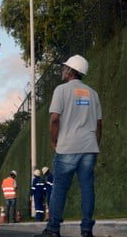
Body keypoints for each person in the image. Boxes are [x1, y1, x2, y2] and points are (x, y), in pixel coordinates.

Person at [38, 54, 102, 237]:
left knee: (59, 188)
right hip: (89, 148)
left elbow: (54, 119)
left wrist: (53, 141)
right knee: (87, 188)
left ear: (71, 71)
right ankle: (87, 230)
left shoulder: (61, 90)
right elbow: (99, 124)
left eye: (65, 67)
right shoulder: (93, 94)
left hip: (67, 147)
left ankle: (53, 229)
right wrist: (94, 144)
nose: (62, 69)